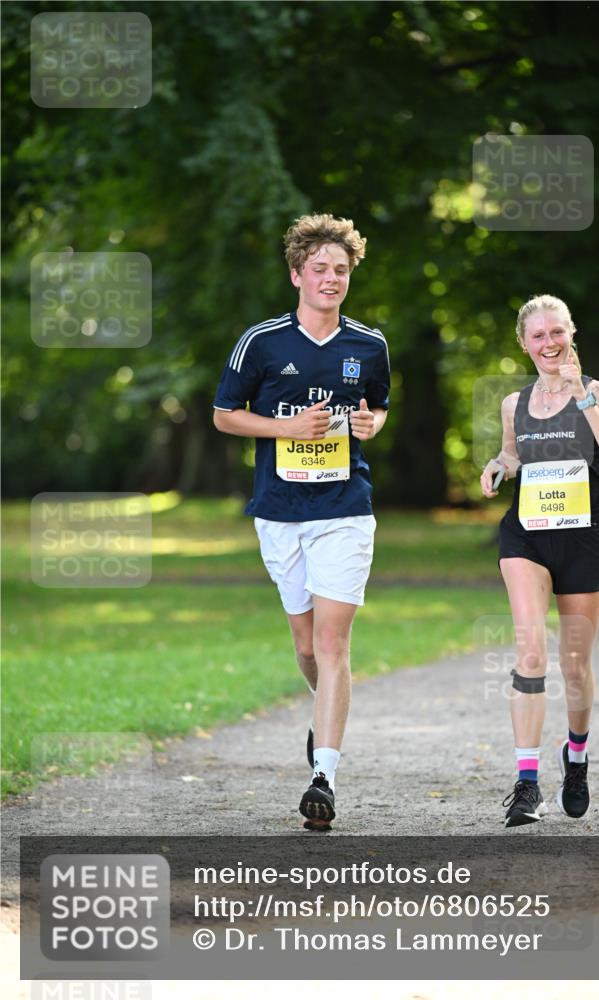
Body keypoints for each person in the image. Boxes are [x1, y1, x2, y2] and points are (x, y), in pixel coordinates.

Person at [212, 213, 390, 830]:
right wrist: (285, 426)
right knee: (305, 644)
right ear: (297, 274)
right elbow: (224, 415)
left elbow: (379, 410)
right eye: (319, 269)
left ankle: (325, 773)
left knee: (333, 643)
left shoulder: (369, 346)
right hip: (280, 513)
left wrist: (370, 426)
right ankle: (326, 719)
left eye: (341, 270)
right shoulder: (260, 343)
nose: (331, 279)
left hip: (344, 509)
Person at [480, 294, 599, 828]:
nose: (549, 343)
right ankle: (525, 784)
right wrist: (498, 466)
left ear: (571, 333)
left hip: (585, 540)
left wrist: (581, 395)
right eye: (538, 336)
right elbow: (514, 454)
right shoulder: (513, 403)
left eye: (556, 332)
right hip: (529, 536)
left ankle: (578, 756)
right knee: (531, 650)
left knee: (574, 665)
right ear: (524, 343)